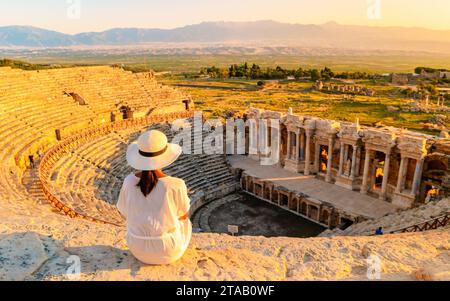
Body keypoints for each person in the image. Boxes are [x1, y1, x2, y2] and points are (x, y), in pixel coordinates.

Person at [117, 130, 192, 265]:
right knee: (185, 223)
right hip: (168, 250)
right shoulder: (176, 184)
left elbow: (123, 211)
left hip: (137, 248)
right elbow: (184, 215)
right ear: (164, 156)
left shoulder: (128, 181)